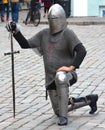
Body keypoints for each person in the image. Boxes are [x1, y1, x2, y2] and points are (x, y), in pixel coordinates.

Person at [6, 4, 98, 126]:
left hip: (67, 75)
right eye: (50, 18)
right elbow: (25, 44)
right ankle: (89, 99)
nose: (52, 21)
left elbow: (82, 51)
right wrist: (16, 31)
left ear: (61, 18)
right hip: (50, 78)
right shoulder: (44, 33)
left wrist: (71, 67)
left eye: (54, 18)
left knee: (61, 77)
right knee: (59, 110)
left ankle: (64, 118)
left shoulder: (67, 33)